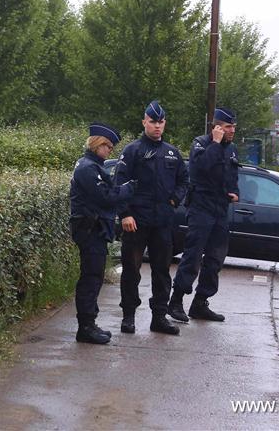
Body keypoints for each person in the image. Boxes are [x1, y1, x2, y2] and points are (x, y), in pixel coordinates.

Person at [114, 100, 187, 335]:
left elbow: (183, 181)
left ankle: (159, 317)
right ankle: (129, 317)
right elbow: (120, 183)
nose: (157, 126)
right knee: (131, 270)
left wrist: (175, 200)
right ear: (144, 121)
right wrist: (124, 213)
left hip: (162, 222)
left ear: (165, 124)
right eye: (153, 121)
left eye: (161, 122)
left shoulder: (172, 153)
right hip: (136, 221)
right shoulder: (132, 150)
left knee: (162, 271)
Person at [168, 107, 240, 323]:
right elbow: (200, 168)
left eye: (234, 127)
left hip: (220, 208)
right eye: (228, 127)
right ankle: (176, 301)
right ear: (216, 127)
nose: (232, 131)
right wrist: (216, 144)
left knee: (216, 258)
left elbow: (233, 175)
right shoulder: (201, 143)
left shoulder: (232, 149)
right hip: (201, 207)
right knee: (192, 256)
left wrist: (235, 192)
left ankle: (200, 303)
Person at [69, 123, 137, 344]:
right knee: (91, 277)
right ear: (98, 144)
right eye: (108, 146)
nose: (110, 151)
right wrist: (129, 188)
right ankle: (85, 327)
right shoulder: (88, 168)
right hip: (90, 229)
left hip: (94, 229)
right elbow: (105, 197)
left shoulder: (92, 165)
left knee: (94, 275)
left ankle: (90, 323)